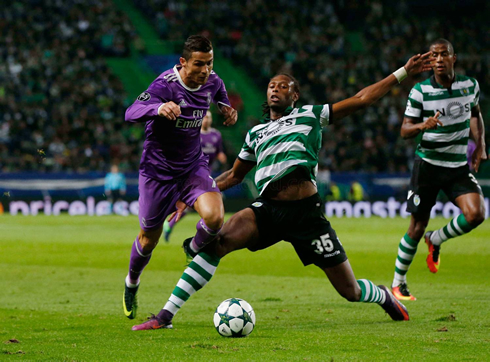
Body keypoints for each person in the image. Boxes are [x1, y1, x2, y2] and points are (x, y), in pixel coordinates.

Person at [131, 51, 433, 330]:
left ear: (295, 95)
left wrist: (404, 72)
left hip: (306, 215)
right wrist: (190, 198)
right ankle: (164, 316)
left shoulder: (311, 115)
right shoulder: (256, 133)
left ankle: (382, 295)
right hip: (267, 210)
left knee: (350, 291)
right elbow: (234, 176)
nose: (275, 89)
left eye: (284, 86)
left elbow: (362, 98)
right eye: (272, 85)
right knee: (216, 244)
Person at [122, 35, 238, 320]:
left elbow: (219, 90)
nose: (205, 70)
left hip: (192, 168)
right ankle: (131, 282)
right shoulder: (164, 85)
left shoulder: (212, 80)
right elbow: (131, 112)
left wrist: (226, 108)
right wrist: (157, 108)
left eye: (209, 63)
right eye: (199, 64)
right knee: (149, 239)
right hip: (157, 173)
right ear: (183, 62)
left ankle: (193, 246)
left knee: (214, 217)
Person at [391, 39, 486, 301]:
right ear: (430, 61)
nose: (440, 59)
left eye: (444, 54)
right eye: (434, 56)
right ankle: (398, 283)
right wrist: (423, 125)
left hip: (457, 165)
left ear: (453, 58)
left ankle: (437, 239)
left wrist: (480, 145)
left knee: (476, 214)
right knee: (416, 226)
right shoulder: (420, 91)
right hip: (428, 166)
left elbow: (475, 114)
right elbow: (404, 130)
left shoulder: (470, 85)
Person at [162, 110, 227, 242]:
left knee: (193, 205)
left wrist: (223, 159)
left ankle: (170, 223)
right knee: (214, 199)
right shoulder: (194, 134)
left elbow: (219, 152)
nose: (207, 120)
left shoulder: (216, 135)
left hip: (208, 173)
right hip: (194, 173)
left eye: (209, 117)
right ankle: (210, 233)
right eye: (205, 117)